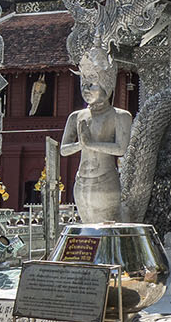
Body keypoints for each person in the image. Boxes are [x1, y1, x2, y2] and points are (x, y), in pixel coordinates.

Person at [61, 54, 132, 224]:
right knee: (88, 229)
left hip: (105, 179)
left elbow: (121, 149)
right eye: (84, 84)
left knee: (107, 228)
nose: (86, 89)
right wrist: (80, 144)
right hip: (81, 181)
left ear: (106, 86)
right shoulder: (76, 117)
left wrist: (91, 144)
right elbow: (64, 150)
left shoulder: (120, 116)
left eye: (92, 84)